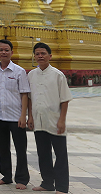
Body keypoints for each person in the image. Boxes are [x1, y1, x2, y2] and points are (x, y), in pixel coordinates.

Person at [27, 42, 72, 194]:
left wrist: (62, 120)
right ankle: (47, 183)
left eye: (43, 53)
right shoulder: (31, 75)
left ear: (50, 56)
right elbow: (30, 98)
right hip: (38, 120)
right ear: (34, 56)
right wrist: (30, 117)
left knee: (60, 155)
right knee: (43, 153)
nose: (40, 56)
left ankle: (61, 187)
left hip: (54, 120)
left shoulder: (58, 75)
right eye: (37, 54)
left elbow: (65, 99)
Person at [0, 39, 30, 189]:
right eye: (1, 50)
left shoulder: (19, 71)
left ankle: (22, 179)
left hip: (16, 117)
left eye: (7, 50)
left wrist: (23, 116)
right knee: (3, 148)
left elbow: (25, 94)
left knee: (20, 149)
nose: (4, 52)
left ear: (12, 52)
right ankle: (6, 176)